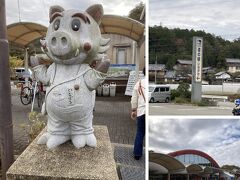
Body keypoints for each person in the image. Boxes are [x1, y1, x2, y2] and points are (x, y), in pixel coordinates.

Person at [131, 67, 146, 160]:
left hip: (141, 112)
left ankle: (137, 153)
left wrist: (133, 110)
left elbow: (134, 99)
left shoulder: (139, 83)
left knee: (140, 132)